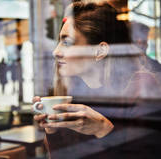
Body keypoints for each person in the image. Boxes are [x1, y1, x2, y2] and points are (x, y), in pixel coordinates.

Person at [33, 1, 161, 159]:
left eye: (67, 42)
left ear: (100, 51)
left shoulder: (140, 88)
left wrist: (102, 129)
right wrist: (52, 130)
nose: (56, 51)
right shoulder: (73, 92)